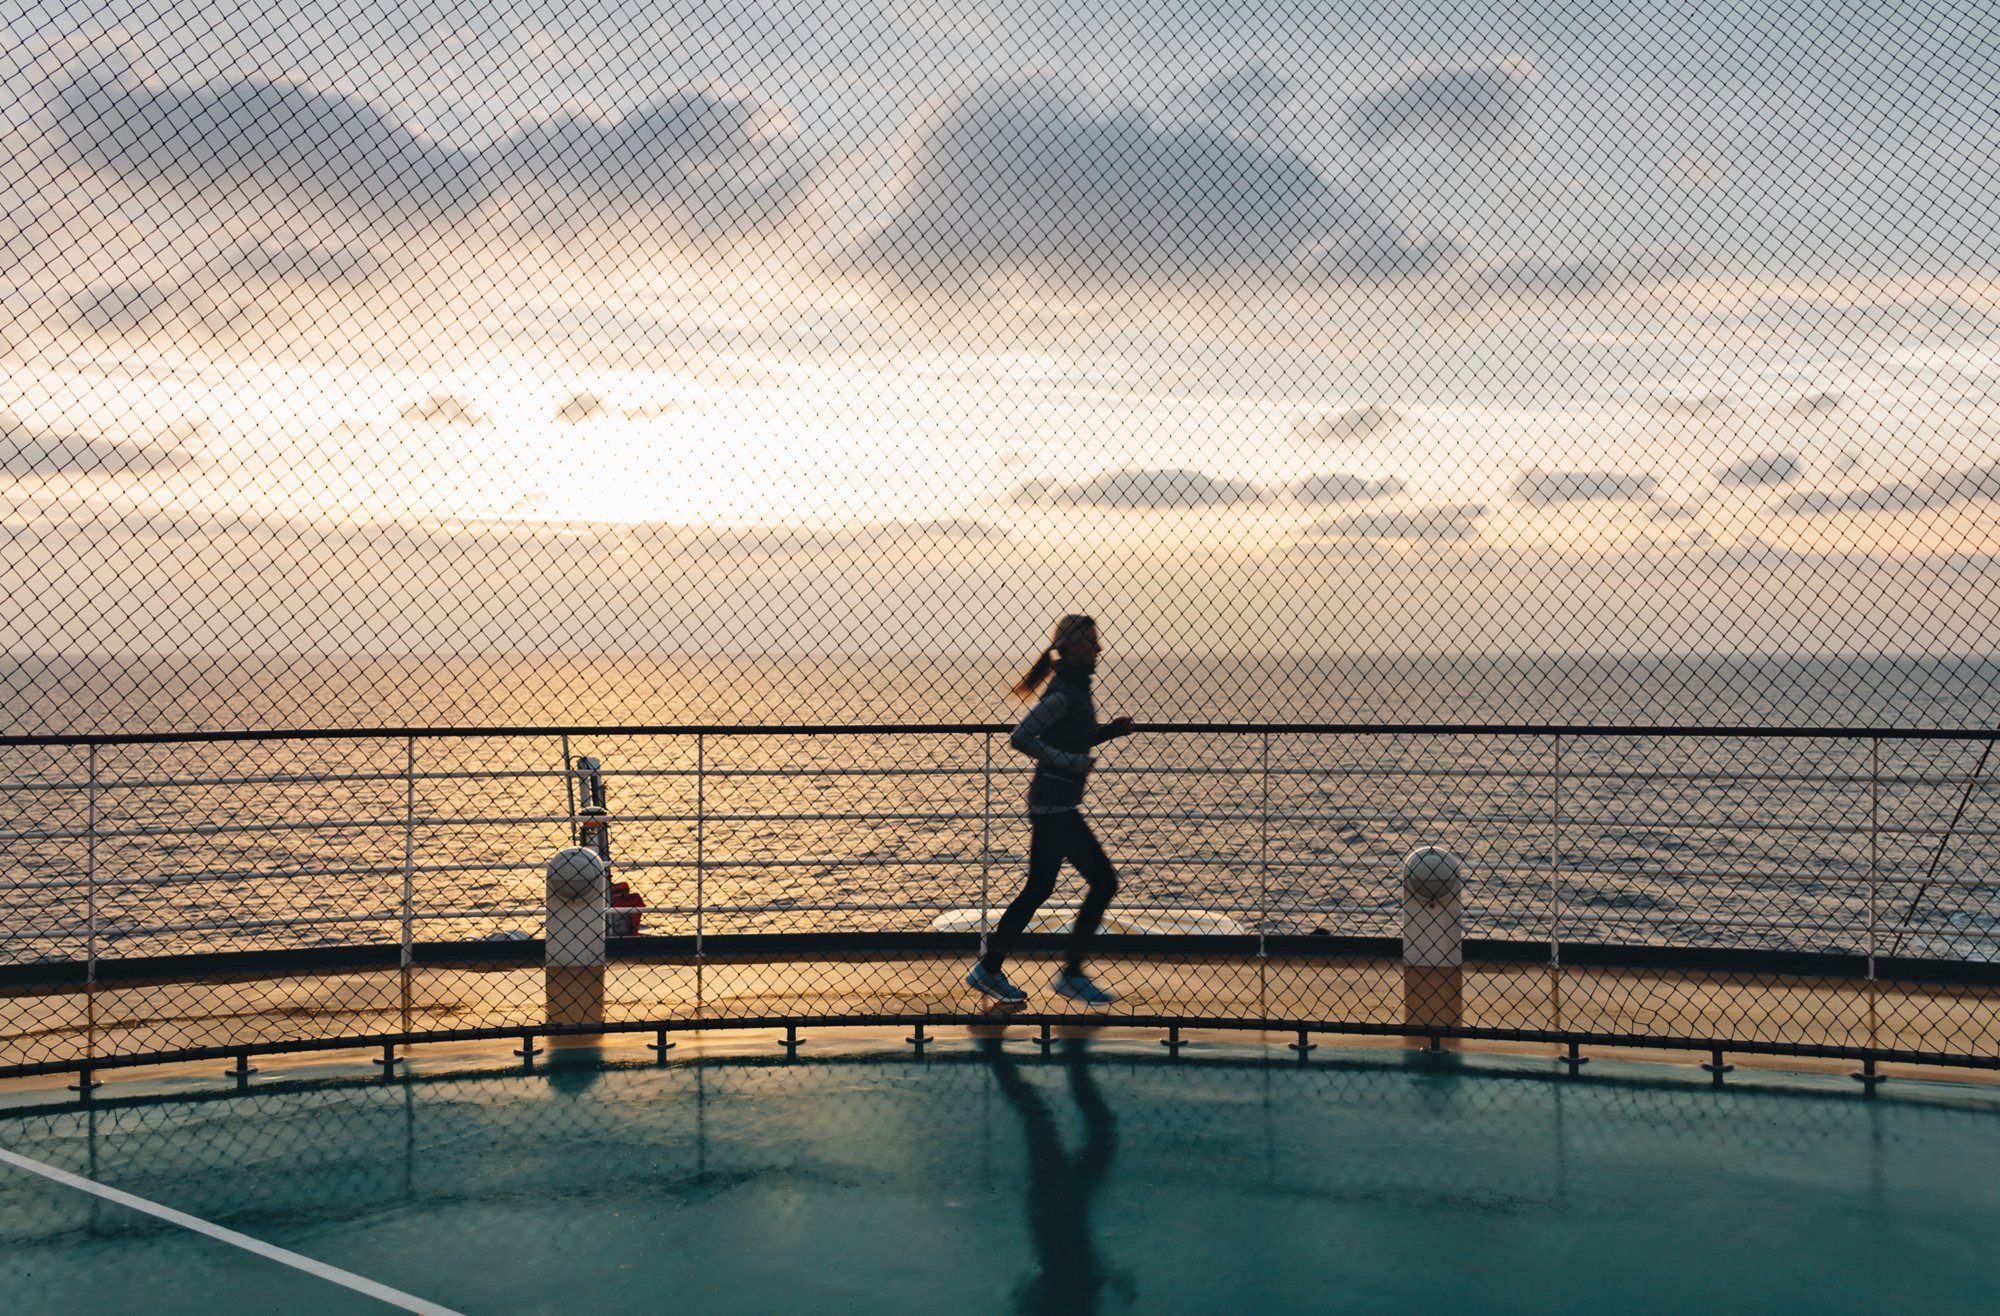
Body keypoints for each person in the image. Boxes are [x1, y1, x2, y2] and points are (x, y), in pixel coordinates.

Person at [967, 614, 1134, 1007]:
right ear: (1073, 646)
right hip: (1055, 807)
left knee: (1039, 888)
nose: (1099, 649)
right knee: (1104, 882)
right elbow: (1021, 738)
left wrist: (1109, 731)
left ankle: (989, 968)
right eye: (1092, 642)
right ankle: (1071, 974)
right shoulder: (1063, 692)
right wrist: (1069, 763)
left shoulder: (1076, 688)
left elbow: (1076, 736)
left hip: (1054, 804)